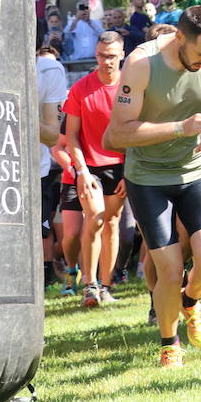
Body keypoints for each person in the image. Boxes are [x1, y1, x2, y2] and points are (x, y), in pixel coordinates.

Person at [102, 6, 201, 367]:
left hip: (196, 172)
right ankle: (169, 344)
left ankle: (191, 301)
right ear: (180, 38)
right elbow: (116, 135)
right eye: (199, 54)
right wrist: (181, 127)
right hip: (148, 178)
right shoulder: (142, 63)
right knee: (169, 270)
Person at [59, 32, 129, 307]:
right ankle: (89, 285)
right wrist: (82, 171)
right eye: (101, 56)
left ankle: (106, 285)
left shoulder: (131, 86)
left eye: (111, 56)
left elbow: (137, 129)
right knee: (96, 220)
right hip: (90, 167)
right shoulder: (81, 88)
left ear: (122, 54)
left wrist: (129, 170)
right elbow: (71, 137)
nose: (106, 61)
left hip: (122, 165)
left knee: (112, 223)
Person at [37, 44, 68, 290]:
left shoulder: (50, 71)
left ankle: (45, 276)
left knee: (43, 226)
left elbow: (51, 135)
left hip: (43, 171)